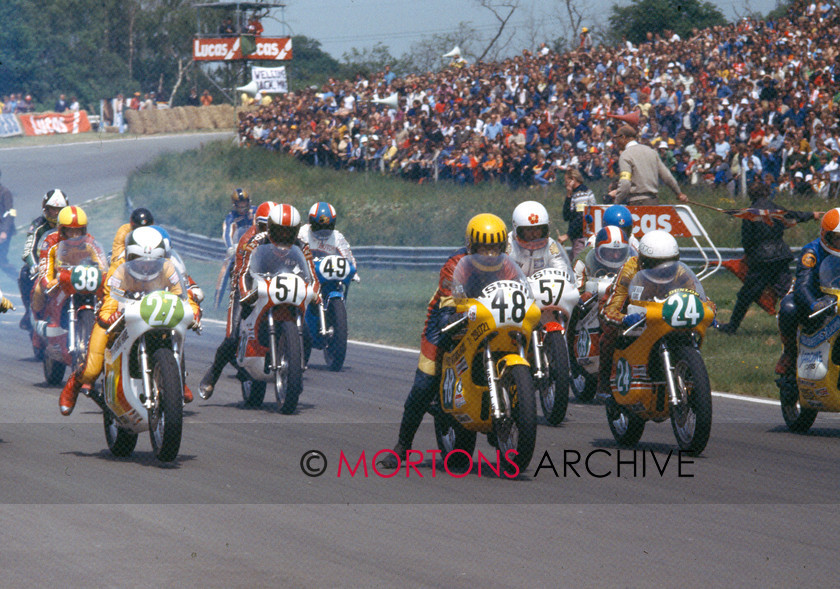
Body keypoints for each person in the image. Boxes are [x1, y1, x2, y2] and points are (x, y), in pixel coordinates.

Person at [378, 214, 515, 469]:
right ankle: (402, 447)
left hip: (489, 323)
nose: (489, 253)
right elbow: (448, 306)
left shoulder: (508, 266)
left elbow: (517, 293)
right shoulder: (454, 263)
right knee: (425, 381)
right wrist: (455, 316)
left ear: (503, 248)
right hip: (446, 320)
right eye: (483, 247)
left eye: (494, 247)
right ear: (471, 246)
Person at [59, 227, 201, 415]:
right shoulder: (119, 269)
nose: (146, 266)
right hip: (122, 314)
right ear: (130, 256)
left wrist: (193, 312)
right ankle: (74, 383)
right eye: (140, 260)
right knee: (92, 370)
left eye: (153, 261)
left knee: (174, 332)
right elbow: (110, 299)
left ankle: (177, 381)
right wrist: (109, 317)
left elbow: (183, 296)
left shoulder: (168, 268)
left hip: (154, 311)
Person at [200, 204, 320, 399]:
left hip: (282, 290)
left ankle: (295, 372)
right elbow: (242, 271)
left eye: (288, 231)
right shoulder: (253, 241)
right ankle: (214, 372)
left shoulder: (302, 246)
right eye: (278, 230)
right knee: (231, 338)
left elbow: (312, 275)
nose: (283, 235)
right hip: (250, 287)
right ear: (270, 227)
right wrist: (246, 294)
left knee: (306, 336)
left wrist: (316, 294)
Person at [597, 230, 707, 397]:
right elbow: (609, 309)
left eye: (668, 263)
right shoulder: (629, 269)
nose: (662, 269)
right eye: (654, 264)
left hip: (664, 315)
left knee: (689, 334)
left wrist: (709, 311)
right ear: (642, 261)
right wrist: (623, 318)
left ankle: (690, 377)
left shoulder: (680, 272)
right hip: (635, 318)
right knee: (610, 335)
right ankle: (605, 386)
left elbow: (700, 298)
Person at [718, 183, 819, 335]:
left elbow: (747, 241)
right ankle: (810, 324)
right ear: (766, 194)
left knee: (746, 295)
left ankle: (732, 327)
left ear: (751, 196)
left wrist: (749, 257)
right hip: (780, 256)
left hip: (761, 260)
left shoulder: (749, 213)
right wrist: (812, 215)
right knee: (789, 292)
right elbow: (795, 215)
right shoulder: (777, 210)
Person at [775, 208, 840, 402]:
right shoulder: (811, 251)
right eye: (836, 238)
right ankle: (789, 352)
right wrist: (814, 304)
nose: (839, 242)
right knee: (788, 306)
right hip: (815, 300)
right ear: (825, 235)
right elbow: (802, 285)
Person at [30, 206, 108, 336]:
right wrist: (48, 282)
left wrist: (104, 276)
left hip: (82, 279)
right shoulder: (50, 242)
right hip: (59, 279)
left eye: (78, 231)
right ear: (61, 229)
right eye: (70, 231)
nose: (75, 235)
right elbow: (45, 268)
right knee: (38, 289)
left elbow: (102, 265)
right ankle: (38, 323)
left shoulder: (89, 241)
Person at [17, 189, 69, 331]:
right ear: (45, 209)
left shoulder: (71, 224)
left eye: (59, 210)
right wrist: (34, 265)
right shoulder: (38, 225)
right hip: (43, 266)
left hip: (66, 266)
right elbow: (28, 249)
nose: (56, 213)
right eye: (52, 209)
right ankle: (30, 311)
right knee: (25, 273)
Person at [607, 125, 689, 206]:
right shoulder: (652, 152)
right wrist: (679, 193)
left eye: (616, 138)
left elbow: (625, 183)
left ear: (623, 137)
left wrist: (616, 203)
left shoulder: (625, 155)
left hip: (636, 203)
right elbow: (667, 176)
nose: (616, 142)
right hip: (653, 202)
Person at [298, 201, 361, 280]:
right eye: (318, 227)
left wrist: (353, 273)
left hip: (329, 278)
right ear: (310, 222)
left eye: (327, 227)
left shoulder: (337, 238)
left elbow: (349, 259)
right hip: (306, 275)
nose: (322, 232)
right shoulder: (301, 234)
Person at [506, 200, 571, 276]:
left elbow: (562, 268)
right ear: (516, 229)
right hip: (516, 285)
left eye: (537, 229)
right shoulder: (507, 244)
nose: (534, 234)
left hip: (540, 286)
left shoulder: (550, 245)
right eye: (528, 229)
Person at [559, 168, 596, 260]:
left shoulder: (582, 194)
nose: (565, 183)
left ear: (573, 179)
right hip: (576, 237)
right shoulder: (574, 194)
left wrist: (567, 235)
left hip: (581, 236)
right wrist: (568, 195)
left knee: (577, 264)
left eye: (566, 180)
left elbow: (581, 217)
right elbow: (566, 216)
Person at [110, 207, 154, 272]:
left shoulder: (157, 233)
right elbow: (116, 258)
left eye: (146, 228)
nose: (142, 232)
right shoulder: (124, 230)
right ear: (131, 224)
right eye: (137, 228)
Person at [0, 168, 17, 276]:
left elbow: (11, 213)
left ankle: (18, 277)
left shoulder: (5, 193)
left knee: (2, 261)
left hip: (4, 231)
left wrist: (4, 231)